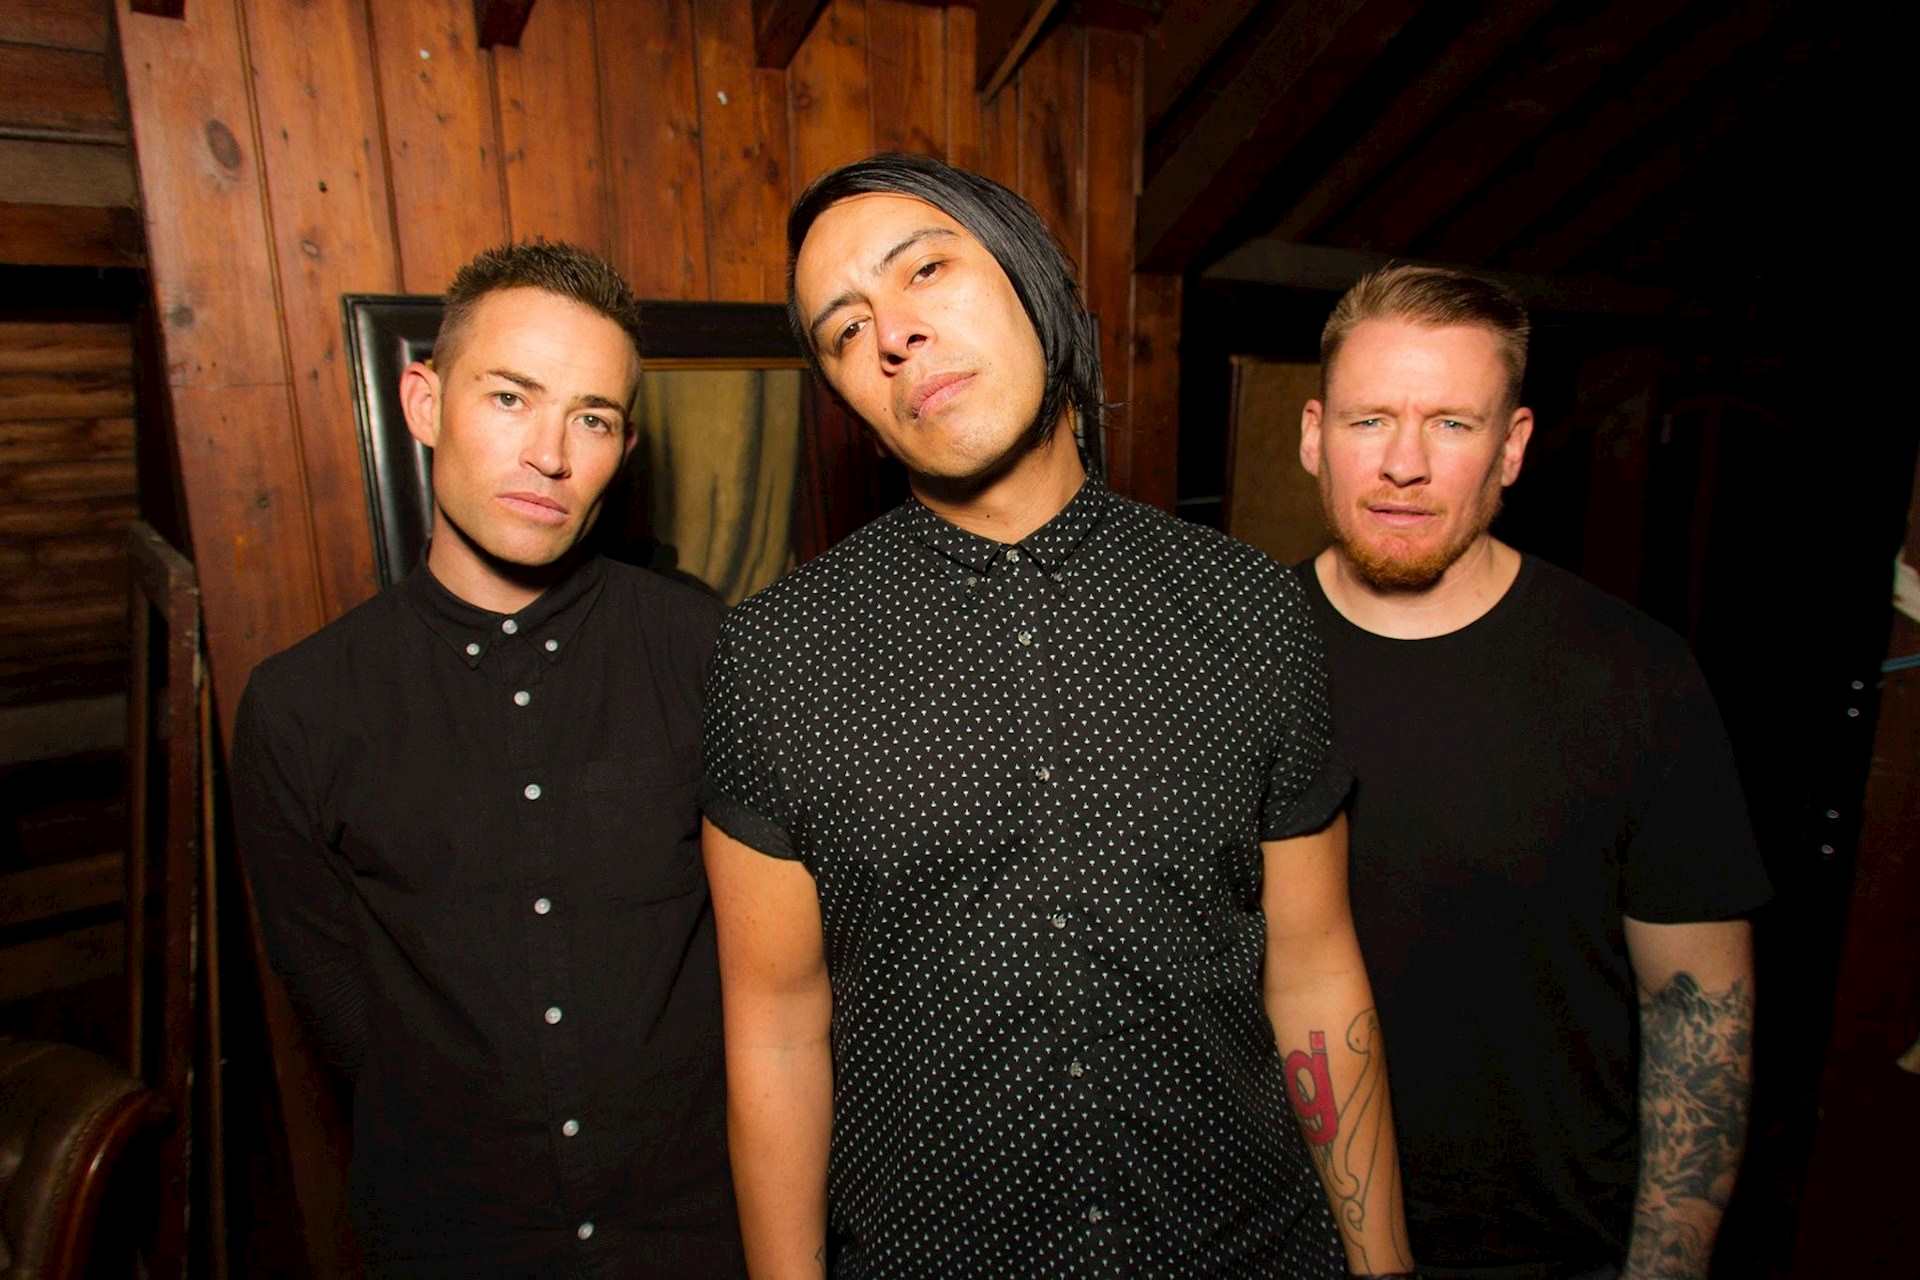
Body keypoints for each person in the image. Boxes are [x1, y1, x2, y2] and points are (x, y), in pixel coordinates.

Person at [700, 152, 1414, 1278]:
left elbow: (1315, 968)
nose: (893, 335)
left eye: (925, 270)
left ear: (1033, 277)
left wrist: (1384, 1264)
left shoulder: (1247, 607)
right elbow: (778, 1031)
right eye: (845, 329)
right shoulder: (776, 655)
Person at [232, 242, 745, 1278]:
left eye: (591, 418)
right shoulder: (301, 707)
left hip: (705, 1234)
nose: (550, 455)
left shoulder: (707, 652)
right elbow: (340, 1008)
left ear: (623, 446)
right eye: (511, 397)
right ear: (423, 402)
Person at [1295, 265, 1772, 1280]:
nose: (1405, 464)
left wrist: (1664, 1269)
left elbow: (1699, 1007)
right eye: (1370, 419)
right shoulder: (1234, 661)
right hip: (1287, 1237)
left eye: (1452, 424)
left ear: (1511, 447)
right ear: (1314, 435)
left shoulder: (1634, 673)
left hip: (1552, 1249)